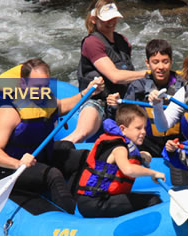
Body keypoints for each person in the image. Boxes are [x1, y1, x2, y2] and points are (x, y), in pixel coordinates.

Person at [0, 58, 104, 214]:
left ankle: (79, 199)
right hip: (10, 168)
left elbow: (64, 105)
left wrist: (88, 92)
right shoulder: (10, 110)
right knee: (52, 175)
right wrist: (17, 163)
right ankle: (70, 217)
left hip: (39, 158)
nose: (41, 91)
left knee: (85, 157)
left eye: (45, 86)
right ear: (23, 84)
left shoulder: (46, 100)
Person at [63, 0, 147, 143]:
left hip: (121, 100)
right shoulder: (92, 43)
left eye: (114, 18)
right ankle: (56, 152)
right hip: (98, 100)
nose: (111, 22)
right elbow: (115, 76)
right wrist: (147, 73)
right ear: (94, 20)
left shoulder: (122, 40)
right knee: (81, 133)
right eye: (106, 19)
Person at [77, 104, 165, 218]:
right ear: (123, 129)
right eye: (138, 128)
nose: (143, 132)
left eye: (144, 128)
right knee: (153, 200)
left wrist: (141, 155)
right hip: (95, 203)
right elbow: (128, 169)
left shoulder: (120, 144)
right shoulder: (119, 147)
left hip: (91, 201)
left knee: (144, 197)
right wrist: (153, 173)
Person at [107, 39, 186, 157]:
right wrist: (114, 107)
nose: (161, 67)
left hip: (176, 142)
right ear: (147, 63)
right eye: (155, 62)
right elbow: (123, 119)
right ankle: (140, 155)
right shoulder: (138, 87)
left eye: (165, 62)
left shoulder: (184, 85)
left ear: (171, 62)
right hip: (147, 143)